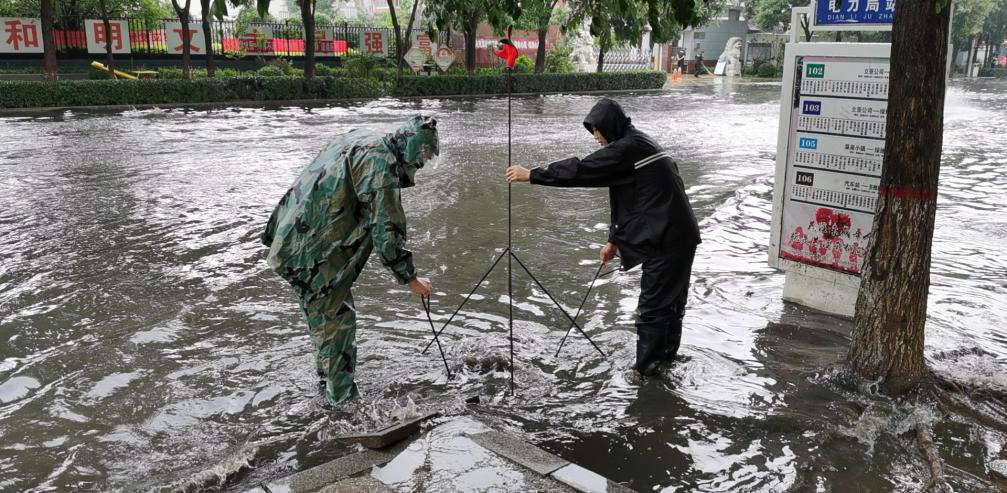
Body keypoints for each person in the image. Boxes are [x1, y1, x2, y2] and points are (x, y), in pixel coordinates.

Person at [505, 98, 701, 376]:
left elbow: (582, 169)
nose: (596, 137)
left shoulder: (627, 148)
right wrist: (614, 241)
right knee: (670, 305)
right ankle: (666, 362)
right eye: (592, 132)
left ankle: (647, 375)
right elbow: (630, 197)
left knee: (653, 309)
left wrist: (532, 175)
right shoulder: (639, 144)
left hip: (667, 240)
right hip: (680, 236)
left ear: (611, 125)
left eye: (598, 130)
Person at [262, 116, 438, 405]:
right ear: (410, 150)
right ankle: (341, 405)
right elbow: (387, 231)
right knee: (337, 321)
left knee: (324, 317)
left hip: (290, 241)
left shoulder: (365, 136)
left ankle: (327, 383)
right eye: (424, 155)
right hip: (312, 253)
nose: (423, 162)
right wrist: (411, 279)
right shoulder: (382, 168)